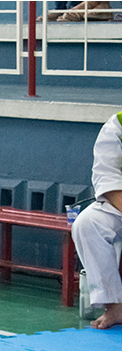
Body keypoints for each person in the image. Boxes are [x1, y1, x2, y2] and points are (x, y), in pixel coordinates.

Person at [72, 112, 122, 329]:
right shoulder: (117, 125)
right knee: (88, 223)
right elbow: (107, 178)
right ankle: (114, 306)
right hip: (120, 203)